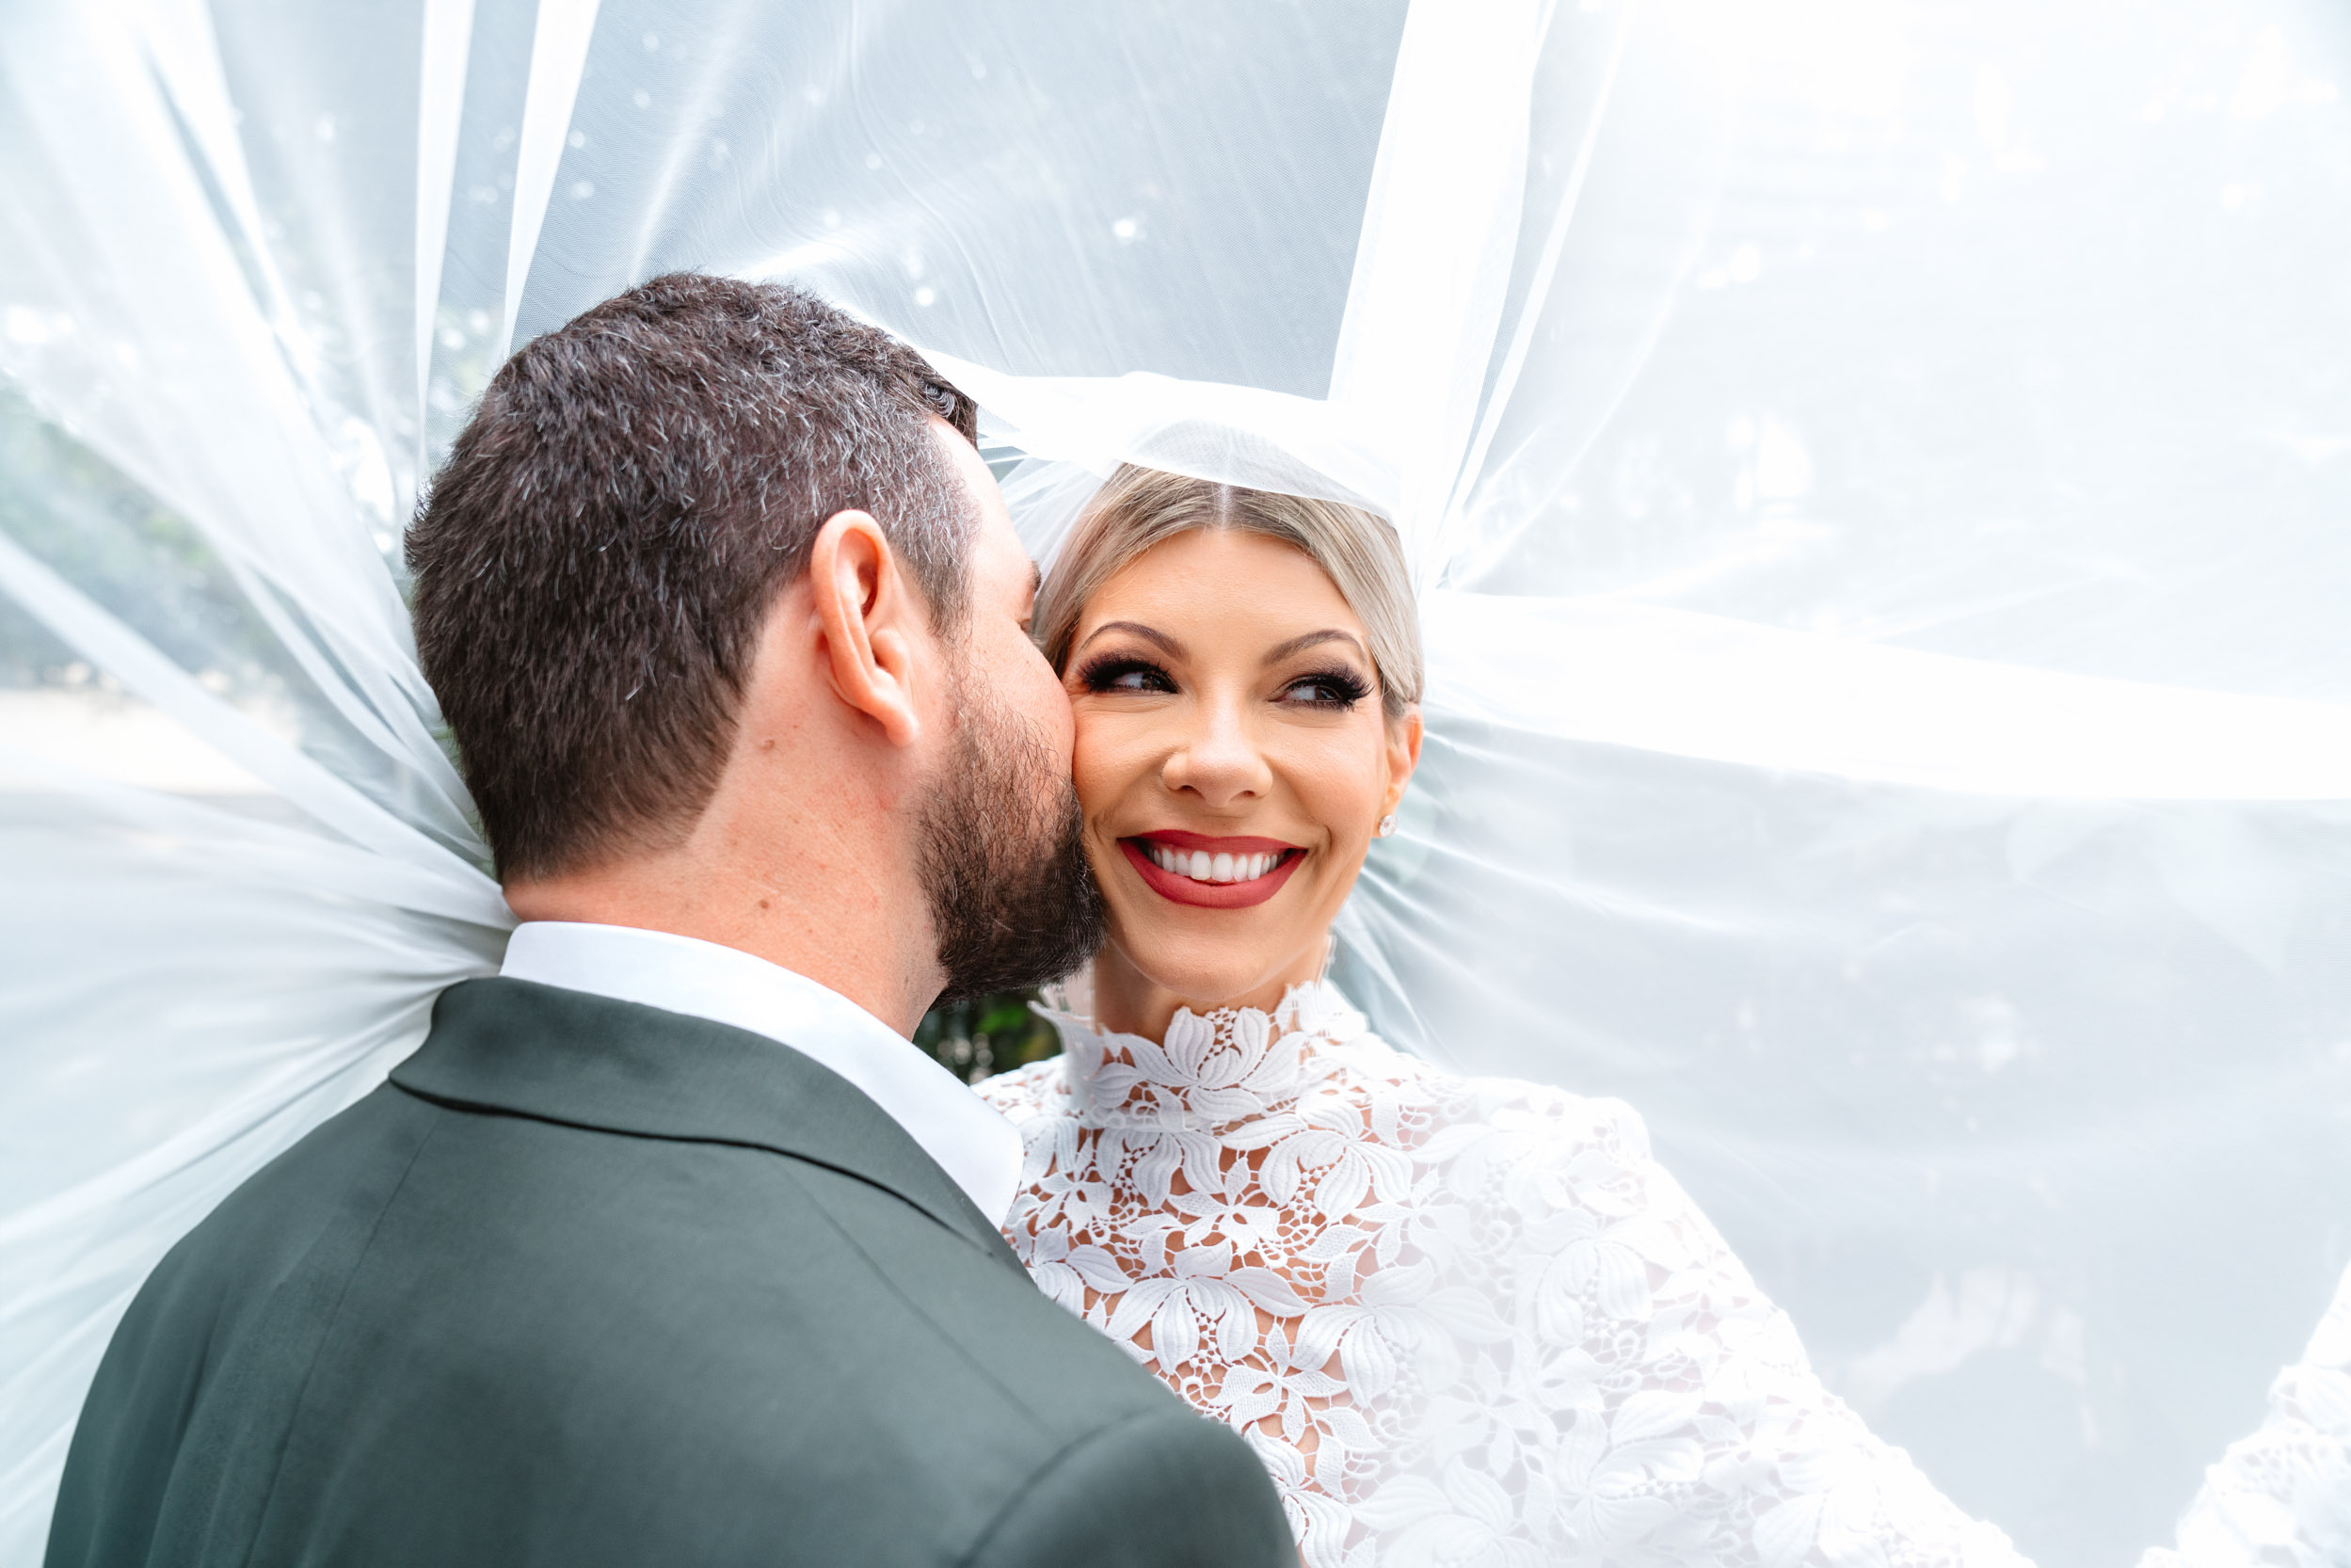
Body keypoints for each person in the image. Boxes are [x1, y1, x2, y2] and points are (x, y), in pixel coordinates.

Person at [41, 280, 1294, 1568]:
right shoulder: (1080, 1490)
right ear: (867, 618)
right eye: (1019, 622)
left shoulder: (211, 1287)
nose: (1064, 712)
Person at [976, 465, 2351, 1568]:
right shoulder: (919, 1167)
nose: (1221, 757)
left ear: (1393, 760)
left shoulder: (1534, 1205)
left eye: (1314, 687)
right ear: (1037, 721)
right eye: (1135, 673)